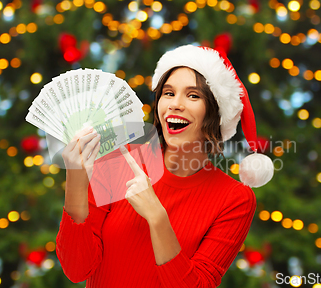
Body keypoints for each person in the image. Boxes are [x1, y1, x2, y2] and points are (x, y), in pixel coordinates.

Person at [56, 45, 273, 287]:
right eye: (168, 93)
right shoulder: (117, 161)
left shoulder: (235, 199)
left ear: (215, 113)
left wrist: (157, 218)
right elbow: (77, 270)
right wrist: (75, 180)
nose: (175, 104)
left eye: (193, 95)